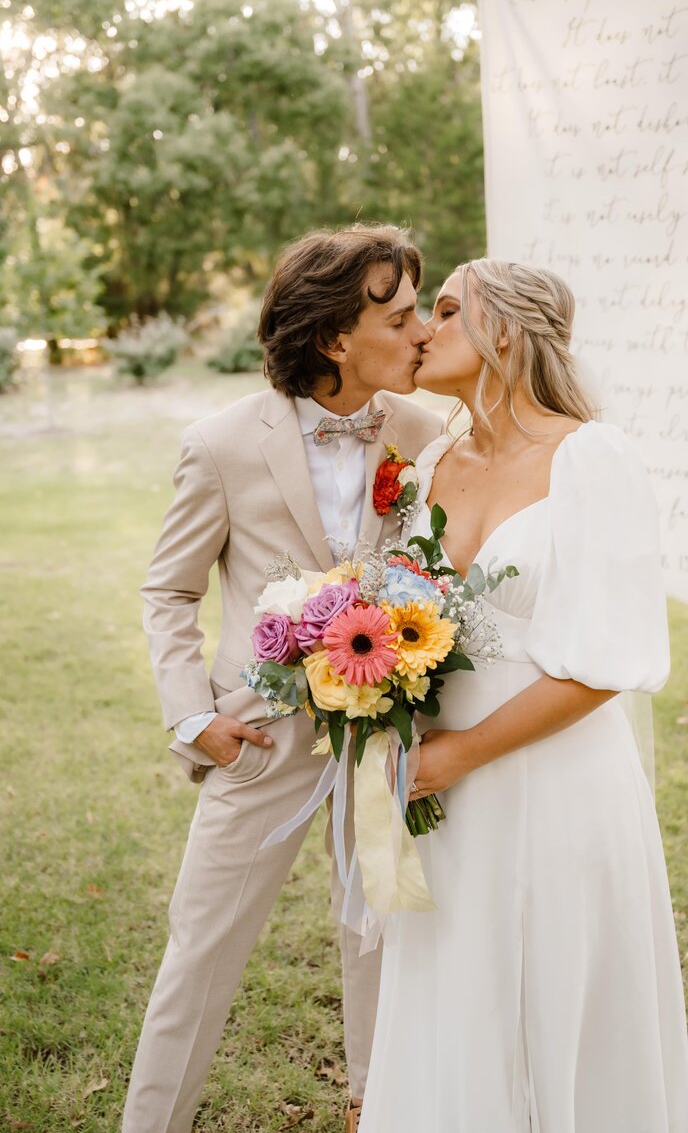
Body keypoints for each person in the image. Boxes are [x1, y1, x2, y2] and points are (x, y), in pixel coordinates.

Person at [359, 259, 688, 1132]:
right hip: (442, 795)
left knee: (553, 989)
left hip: (553, 784)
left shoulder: (592, 457)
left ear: (505, 329)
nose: (422, 330)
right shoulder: (432, 459)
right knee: (455, 996)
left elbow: (605, 662)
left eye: (444, 309)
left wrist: (461, 755)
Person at [123, 224, 442, 1133]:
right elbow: (169, 591)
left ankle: (379, 1114)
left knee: (385, 941)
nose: (422, 332)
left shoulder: (424, 433)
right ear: (337, 337)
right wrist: (195, 721)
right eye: (403, 314)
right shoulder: (221, 444)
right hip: (259, 741)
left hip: (387, 739)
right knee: (201, 948)